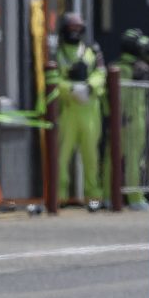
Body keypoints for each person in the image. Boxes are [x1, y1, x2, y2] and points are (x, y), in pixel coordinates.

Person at [47, 12, 105, 208]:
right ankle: (59, 198)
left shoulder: (92, 51)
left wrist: (89, 86)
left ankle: (93, 199)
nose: (75, 32)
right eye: (71, 28)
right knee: (61, 158)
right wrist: (70, 89)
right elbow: (52, 80)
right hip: (67, 110)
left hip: (90, 111)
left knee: (91, 158)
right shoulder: (57, 53)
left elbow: (102, 74)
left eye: (78, 28)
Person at [114, 29, 149, 211]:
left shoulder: (117, 66)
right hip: (131, 119)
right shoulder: (131, 69)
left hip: (120, 119)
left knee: (112, 159)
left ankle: (109, 196)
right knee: (134, 160)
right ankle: (134, 198)